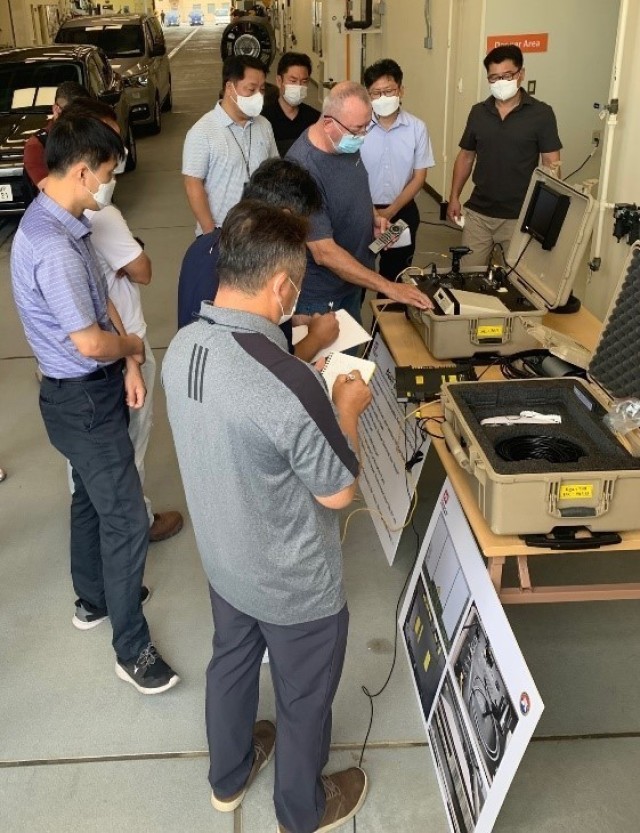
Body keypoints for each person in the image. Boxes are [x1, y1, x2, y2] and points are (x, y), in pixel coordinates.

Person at [163, 199, 371, 833]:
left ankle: (227, 778)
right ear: (283, 284)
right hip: (293, 583)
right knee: (304, 700)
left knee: (230, 663)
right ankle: (301, 811)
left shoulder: (184, 345)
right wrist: (349, 409)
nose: (295, 301)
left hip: (226, 562)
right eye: (296, 289)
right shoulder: (289, 382)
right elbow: (337, 492)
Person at [10, 112, 179, 694]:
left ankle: (93, 600)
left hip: (92, 390)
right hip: (79, 398)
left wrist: (129, 361)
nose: (109, 184)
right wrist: (132, 344)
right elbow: (88, 341)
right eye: (106, 173)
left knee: (88, 498)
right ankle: (131, 649)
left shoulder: (66, 224)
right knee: (127, 517)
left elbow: (100, 302)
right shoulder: (52, 244)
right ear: (82, 171)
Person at [286, 81, 432, 322]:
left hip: (350, 282)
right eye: (358, 129)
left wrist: (373, 217)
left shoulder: (345, 142)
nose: (363, 136)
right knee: (328, 359)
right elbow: (324, 252)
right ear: (328, 122)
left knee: (353, 355)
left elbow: (358, 191)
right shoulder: (301, 170)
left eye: (366, 127)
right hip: (321, 296)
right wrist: (388, 287)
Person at [177, 157, 338, 361]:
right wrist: (317, 338)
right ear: (284, 215)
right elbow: (273, 369)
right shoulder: (260, 272)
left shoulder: (203, 244)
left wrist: (289, 319)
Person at [447, 44, 562, 266]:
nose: (500, 82)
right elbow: (466, 157)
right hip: (479, 213)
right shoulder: (478, 112)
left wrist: (546, 212)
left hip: (519, 215)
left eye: (506, 75)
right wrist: (454, 196)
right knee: (468, 275)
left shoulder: (541, 114)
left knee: (516, 281)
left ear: (521, 74)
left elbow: (551, 163)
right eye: (493, 78)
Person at [182, 55, 279, 236]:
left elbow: (274, 171)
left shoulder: (264, 125)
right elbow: (192, 184)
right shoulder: (202, 131)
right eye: (251, 89)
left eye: (262, 90)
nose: (258, 96)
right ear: (229, 87)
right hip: (223, 232)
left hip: (262, 231)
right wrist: (211, 233)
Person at [361, 59, 435, 282]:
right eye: (376, 93)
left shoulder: (416, 128)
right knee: (358, 275)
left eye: (389, 91)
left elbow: (419, 177)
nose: (383, 98)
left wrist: (388, 213)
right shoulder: (358, 126)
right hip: (363, 213)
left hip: (400, 213)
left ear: (401, 90)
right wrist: (374, 214)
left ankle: (384, 318)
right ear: (368, 95)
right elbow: (351, 173)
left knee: (394, 277)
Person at [22, 80, 89, 203]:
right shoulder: (37, 146)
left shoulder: (89, 134)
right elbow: (53, 194)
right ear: (56, 109)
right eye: (72, 114)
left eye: (84, 114)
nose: (78, 120)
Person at [262, 52, 319, 157]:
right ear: (279, 81)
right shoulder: (264, 118)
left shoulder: (314, 119)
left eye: (304, 81)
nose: (299, 86)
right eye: (293, 81)